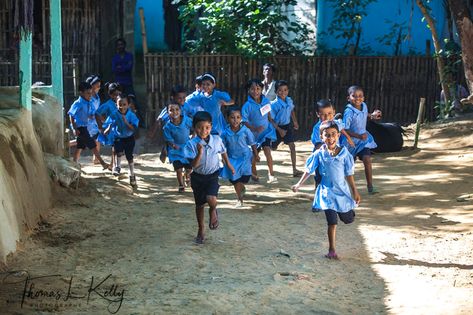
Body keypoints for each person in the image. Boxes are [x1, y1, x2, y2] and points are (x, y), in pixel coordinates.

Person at [292, 121, 360, 260]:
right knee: (332, 222)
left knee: (348, 219)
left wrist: (355, 191)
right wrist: (299, 184)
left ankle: (349, 212)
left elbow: (349, 174)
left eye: (333, 135)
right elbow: (308, 170)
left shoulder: (344, 153)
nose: (330, 138)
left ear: (339, 135)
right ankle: (332, 250)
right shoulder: (319, 154)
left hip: (342, 192)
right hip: (326, 193)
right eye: (327, 135)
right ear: (321, 137)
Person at [184, 111, 235, 244]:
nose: (204, 130)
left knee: (211, 198)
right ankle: (201, 229)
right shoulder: (191, 144)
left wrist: (229, 165)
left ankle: (213, 209)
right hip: (197, 177)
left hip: (212, 175)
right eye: (200, 127)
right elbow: (193, 165)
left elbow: (223, 151)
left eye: (207, 127)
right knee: (200, 204)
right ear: (195, 128)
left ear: (211, 127)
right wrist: (199, 152)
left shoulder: (217, 140)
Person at [342, 86, 381, 194]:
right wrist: (357, 136)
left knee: (367, 159)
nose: (357, 98)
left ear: (363, 98)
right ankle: (346, 189)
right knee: (349, 167)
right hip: (350, 142)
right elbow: (343, 129)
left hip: (363, 140)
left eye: (360, 96)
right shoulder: (349, 112)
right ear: (348, 98)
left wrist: (372, 116)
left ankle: (370, 186)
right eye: (354, 96)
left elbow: (363, 115)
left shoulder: (364, 106)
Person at [221, 107, 260, 207]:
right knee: (234, 180)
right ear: (227, 119)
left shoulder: (245, 130)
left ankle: (248, 178)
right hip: (232, 158)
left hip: (245, 158)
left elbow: (252, 143)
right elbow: (222, 147)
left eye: (238, 117)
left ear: (241, 118)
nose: (235, 120)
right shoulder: (225, 133)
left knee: (244, 179)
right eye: (232, 117)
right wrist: (223, 159)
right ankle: (240, 199)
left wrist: (256, 154)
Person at [241, 79, 277, 184]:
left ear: (261, 90)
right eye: (252, 89)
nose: (255, 91)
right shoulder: (247, 106)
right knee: (253, 156)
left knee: (267, 151)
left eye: (258, 89)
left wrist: (273, 123)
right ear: (248, 90)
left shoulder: (266, 101)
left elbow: (268, 114)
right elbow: (244, 121)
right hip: (253, 136)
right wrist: (254, 128)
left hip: (266, 133)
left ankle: (271, 174)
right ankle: (254, 174)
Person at [67, 81, 109, 169]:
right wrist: (75, 128)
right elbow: (71, 114)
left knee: (80, 146)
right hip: (80, 128)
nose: (90, 95)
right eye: (88, 93)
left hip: (85, 126)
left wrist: (91, 116)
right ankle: (103, 163)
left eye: (90, 93)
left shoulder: (88, 102)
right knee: (92, 146)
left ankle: (74, 163)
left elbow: (90, 113)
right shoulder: (78, 103)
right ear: (81, 93)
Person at [270, 80, 303, 177]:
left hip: (287, 126)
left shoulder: (289, 100)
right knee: (271, 147)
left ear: (288, 91)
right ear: (276, 92)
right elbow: (271, 120)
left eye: (285, 90)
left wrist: (295, 121)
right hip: (276, 128)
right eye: (280, 90)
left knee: (292, 146)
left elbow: (291, 110)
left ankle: (294, 169)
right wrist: (279, 130)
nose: (283, 92)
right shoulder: (273, 104)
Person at [147, 85, 188, 163]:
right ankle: (165, 151)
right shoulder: (169, 109)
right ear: (173, 97)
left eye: (184, 97)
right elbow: (159, 119)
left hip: (181, 131)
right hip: (170, 132)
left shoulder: (185, 106)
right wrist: (152, 132)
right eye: (180, 98)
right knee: (171, 147)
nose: (182, 100)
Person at [108, 94, 140, 187]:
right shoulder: (114, 113)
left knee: (129, 157)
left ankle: (132, 174)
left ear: (128, 105)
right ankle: (118, 167)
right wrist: (108, 128)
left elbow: (133, 128)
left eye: (124, 104)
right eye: (120, 104)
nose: (122, 107)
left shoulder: (131, 115)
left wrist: (126, 122)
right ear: (116, 104)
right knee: (118, 152)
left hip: (129, 138)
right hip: (119, 137)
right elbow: (111, 121)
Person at [163, 102, 193, 192]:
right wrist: (172, 145)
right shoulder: (167, 127)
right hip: (175, 151)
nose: (174, 112)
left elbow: (195, 127)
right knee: (178, 169)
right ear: (168, 112)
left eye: (177, 109)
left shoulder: (187, 120)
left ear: (180, 111)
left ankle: (187, 175)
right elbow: (168, 139)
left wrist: (194, 137)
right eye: (171, 110)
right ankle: (181, 184)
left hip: (187, 149)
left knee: (189, 168)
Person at [95, 82, 123, 171]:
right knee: (115, 146)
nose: (117, 96)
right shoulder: (108, 104)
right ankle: (114, 165)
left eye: (119, 94)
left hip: (120, 128)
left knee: (117, 147)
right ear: (110, 95)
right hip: (111, 128)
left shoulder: (122, 102)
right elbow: (97, 113)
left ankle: (112, 164)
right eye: (115, 95)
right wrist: (100, 126)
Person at [86, 75, 102, 164]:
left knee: (97, 139)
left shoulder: (97, 96)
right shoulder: (87, 98)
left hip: (94, 122)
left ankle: (96, 159)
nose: (99, 87)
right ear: (91, 86)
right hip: (88, 123)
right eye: (97, 85)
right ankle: (65, 144)